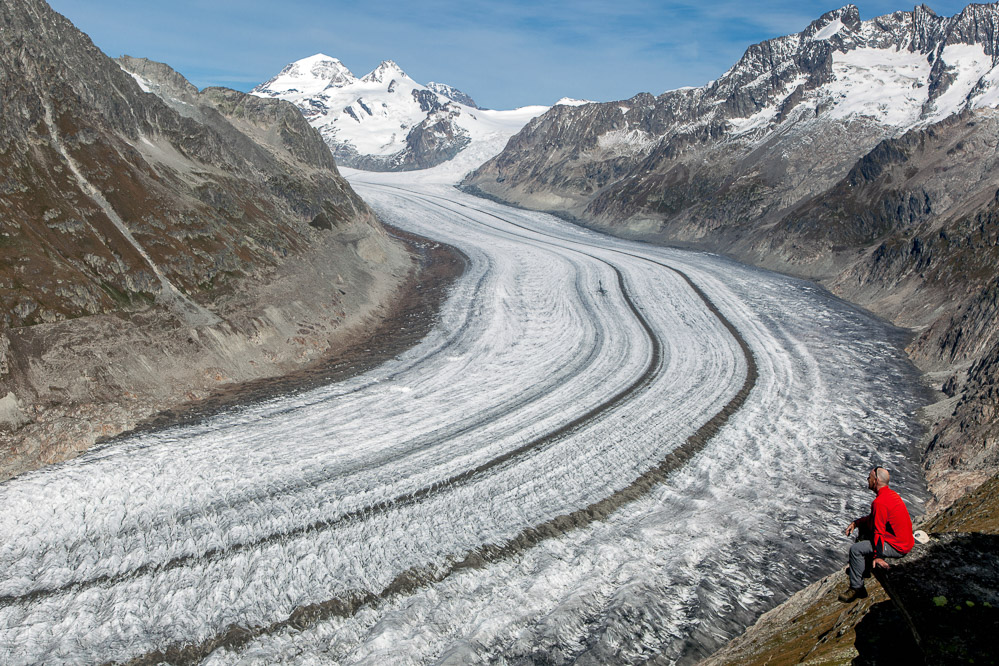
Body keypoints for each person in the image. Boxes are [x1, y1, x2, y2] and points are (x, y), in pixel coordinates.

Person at [838, 465, 914, 603]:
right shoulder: (891, 495)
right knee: (865, 531)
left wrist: (878, 557)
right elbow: (874, 519)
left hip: (897, 546)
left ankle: (857, 588)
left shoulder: (879, 502)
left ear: (876, 480)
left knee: (856, 550)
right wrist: (856, 523)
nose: (868, 480)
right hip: (904, 541)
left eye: (869, 477)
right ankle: (864, 569)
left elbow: (879, 532)